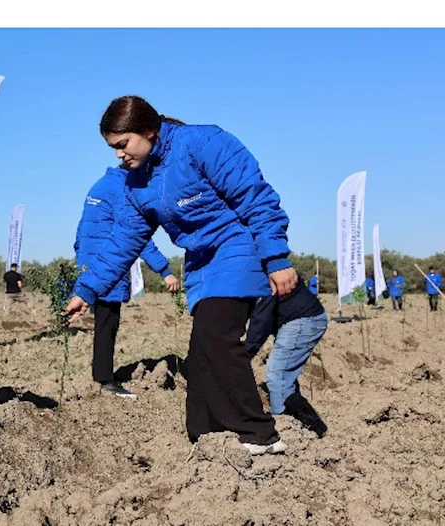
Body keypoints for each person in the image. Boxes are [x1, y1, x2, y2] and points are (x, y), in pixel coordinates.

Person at [65, 96, 297, 455]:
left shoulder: (202, 143)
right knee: (201, 352)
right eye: (112, 148)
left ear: (148, 130)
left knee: (217, 337)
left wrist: (277, 258)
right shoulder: (136, 183)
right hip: (201, 262)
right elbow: (123, 241)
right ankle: (205, 435)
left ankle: (261, 435)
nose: (118, 155)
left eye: (122, 145)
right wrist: (87, 290)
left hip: (236, 247)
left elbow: (256, 198)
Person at [75, 166, 179, 398]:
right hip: (107, 265)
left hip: (91, 263)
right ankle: (104, 380)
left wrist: (81, 262)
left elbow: (82, 229)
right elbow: (135, 236)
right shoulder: (123, 189)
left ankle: (101, 375)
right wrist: (164, 270)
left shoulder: (100, 185)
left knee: (103, 322)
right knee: (107, 324)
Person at [245, 278, 328, 438]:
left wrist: (245, 353)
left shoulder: (261, 277)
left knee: (278, 373)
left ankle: (284, 427)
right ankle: (308, 426)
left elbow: (261, 321)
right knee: (285, 378)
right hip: (302, 317)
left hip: (302, 319)